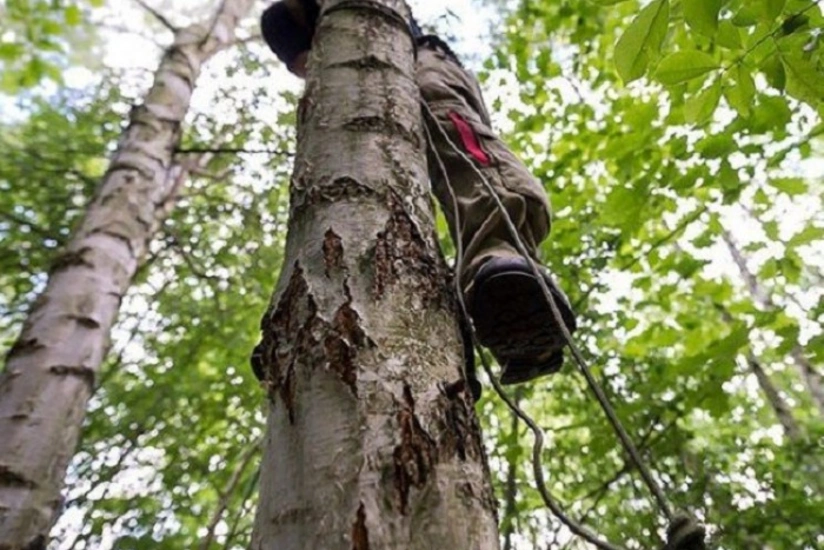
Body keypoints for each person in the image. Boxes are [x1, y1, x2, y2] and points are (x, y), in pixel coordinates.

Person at [259, 0, 577, 392]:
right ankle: (476, 317)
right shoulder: (281, 20)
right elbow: (307, 63)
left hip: (418, 63)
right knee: (410, 188)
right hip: (368, 91)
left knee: (458, 143)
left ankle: (506, 276)